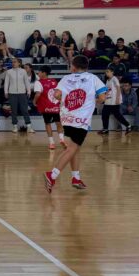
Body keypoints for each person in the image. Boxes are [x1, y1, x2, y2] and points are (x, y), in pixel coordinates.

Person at [44, 55, 107, 192]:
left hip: (66, 117)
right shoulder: (93, 78)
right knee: (72, 148)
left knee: (75, 148)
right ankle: (52, 175)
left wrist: (67, 99)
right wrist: (93, 100)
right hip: (81, 120)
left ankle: (76, 178)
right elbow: (102, 97)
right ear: (86, 66)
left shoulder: (65, 78)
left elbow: (56, 95)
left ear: (73, 66)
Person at [32, 66, 64, 149]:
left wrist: (34, 101)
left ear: (44, 73)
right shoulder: (54, 81)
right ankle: (62, 139)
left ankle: (51, 143)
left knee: (47, 124)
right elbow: (59, 93)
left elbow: (38, 94)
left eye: (39, 72)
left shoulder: (38, 82)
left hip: (45, 106)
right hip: (55, 105)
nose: (38, 73)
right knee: (58, 123)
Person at [3, 58, 33, 133]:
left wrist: (28, 91)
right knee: (13, 111)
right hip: (12, 93)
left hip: (22, 93)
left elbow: (26, 82)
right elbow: (6, 82)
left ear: (19, 63)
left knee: (25, 110)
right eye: (12, 62)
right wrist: (6, 92)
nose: (13, 63)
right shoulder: (9, 72)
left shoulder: (23, 71)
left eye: (15, 62)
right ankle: (15, 126)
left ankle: (29, 126)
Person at [98, 68, 130, 134]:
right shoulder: (107, 80)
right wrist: (105, 97)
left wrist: (118, 98)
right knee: (105, 114)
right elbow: (107, 90)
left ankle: (128, 125)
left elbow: (118, 88)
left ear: (112, 72)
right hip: (108, 100)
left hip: (114, 101)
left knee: (117, 115)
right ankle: (105, 129)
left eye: (108, 71)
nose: (106, 73)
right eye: (106, 72)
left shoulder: (114, 79)